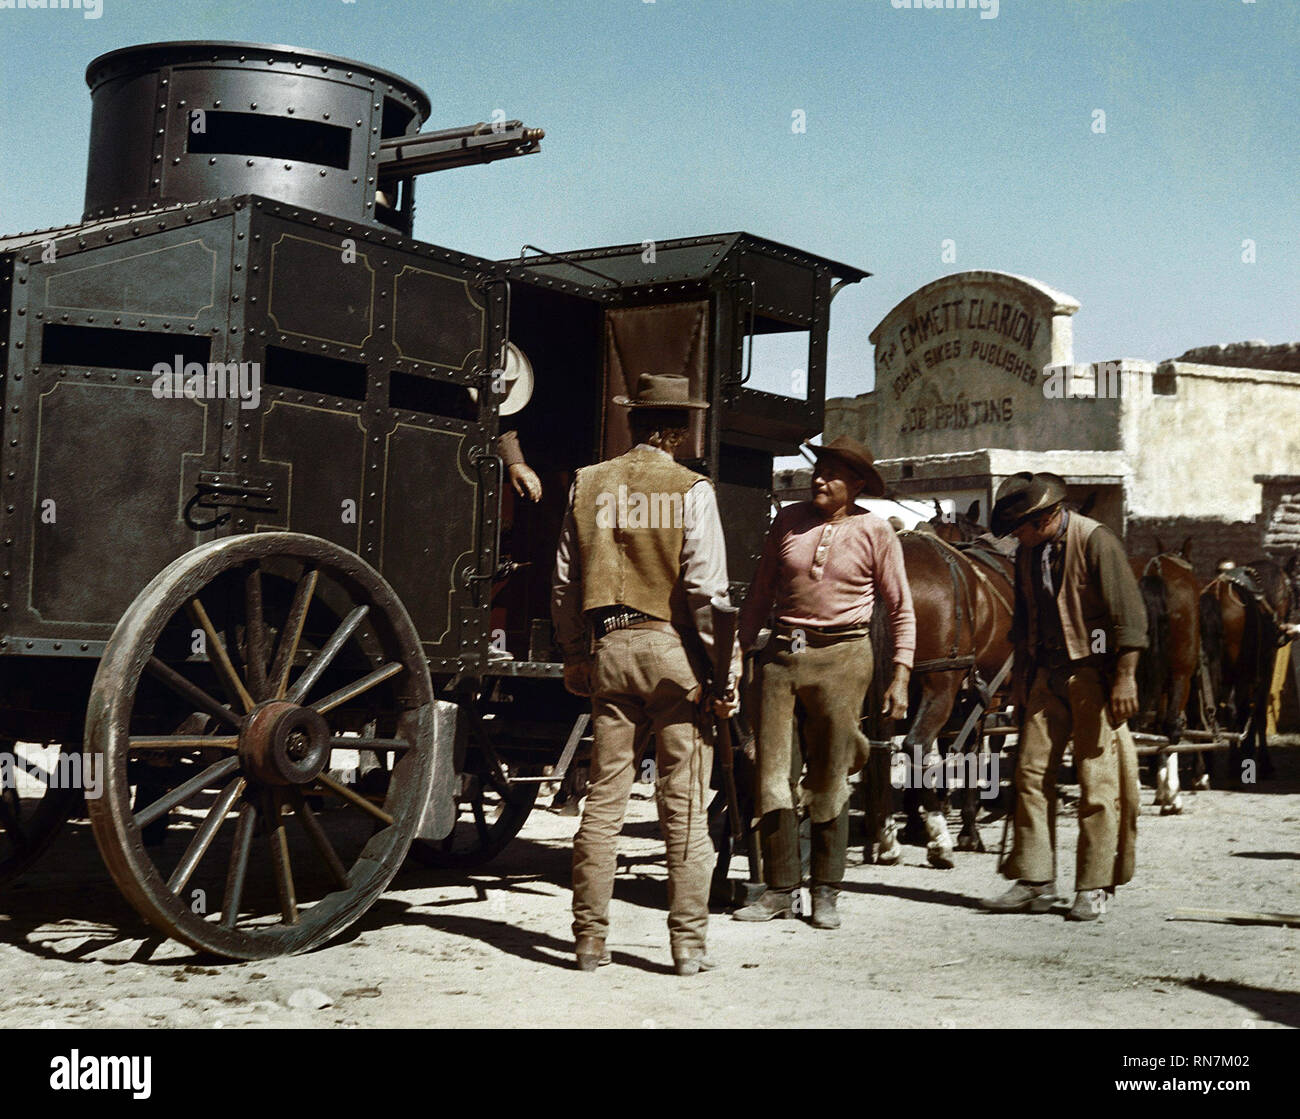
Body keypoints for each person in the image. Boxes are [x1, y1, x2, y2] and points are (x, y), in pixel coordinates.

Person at [551, 372, 740, 976]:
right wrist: (722, 673)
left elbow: (564, 582)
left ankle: (589, 943)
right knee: (682, 805)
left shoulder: (588, 483)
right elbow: (706, 589)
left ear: (634, 424)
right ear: (678, 431)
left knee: (603, 801)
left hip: (609, 651)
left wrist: (576, 652)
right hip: (673, 655)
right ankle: (687, 947)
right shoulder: (691, 488)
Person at [733, 435, 915, 929]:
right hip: (781, 661)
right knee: (772, 775)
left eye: (833, 474)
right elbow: (759, 594)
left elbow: (900, 608)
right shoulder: (787, 521)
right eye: (818, 470)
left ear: (856, 485)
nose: (819, 479)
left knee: (831, 777)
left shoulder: (876, 531)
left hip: (843, 659)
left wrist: (900, 673)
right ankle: (778, 889)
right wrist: (738, 652)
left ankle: (826, 890)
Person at [980, 472, 1145, 922]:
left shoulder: (1097, 542)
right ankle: (1036, 880)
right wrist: (1020, 679)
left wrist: (1125, 679)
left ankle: (1093, 886)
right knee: (1031, 775)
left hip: (1093, 677)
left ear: (1050, 516)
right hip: (1044, 676)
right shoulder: (1029, 553)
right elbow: (1024, 618)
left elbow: (1129, 619)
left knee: (1097, 784)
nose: (1017, 537)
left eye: (1022, 528)